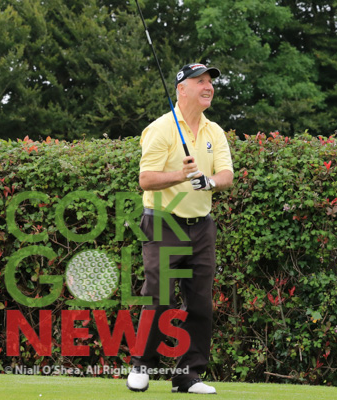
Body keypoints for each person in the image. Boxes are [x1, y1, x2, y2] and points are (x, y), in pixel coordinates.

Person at [126, 63, 234, 394]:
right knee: (159, 298)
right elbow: (146, 179)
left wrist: (208, 181)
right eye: (200, 81)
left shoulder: (215, 131)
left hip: (201, 226)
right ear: (181, 90)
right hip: (163, 222)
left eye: (210, 81)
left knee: (200, 304)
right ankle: (141, 366)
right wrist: (181, 176)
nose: (208, 86)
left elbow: (226, 175)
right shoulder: (161, 129)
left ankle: (188, 376)